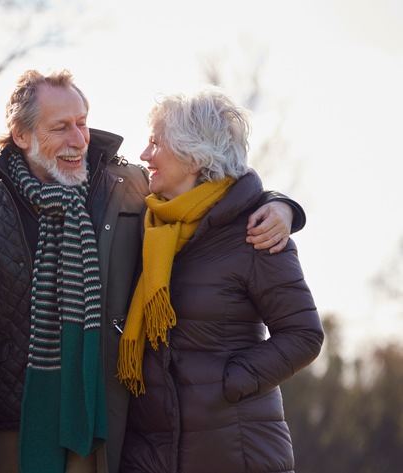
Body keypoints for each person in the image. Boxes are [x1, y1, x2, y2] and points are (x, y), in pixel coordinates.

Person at [0, 70, 304, 473]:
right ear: (22, 135)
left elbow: (209, 190)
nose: (78, 140)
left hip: (95, 430)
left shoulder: (126, 189)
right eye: (61, 128)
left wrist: (280, 204)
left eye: (82, 123)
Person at [117, 86, 324, 473]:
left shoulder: (255, 231)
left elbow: (304, 335)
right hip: (152, 453)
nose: (144, 155)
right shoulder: (148, 224)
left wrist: (227, 383)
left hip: (234, 450)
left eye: (155, 143)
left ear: (193, 156)